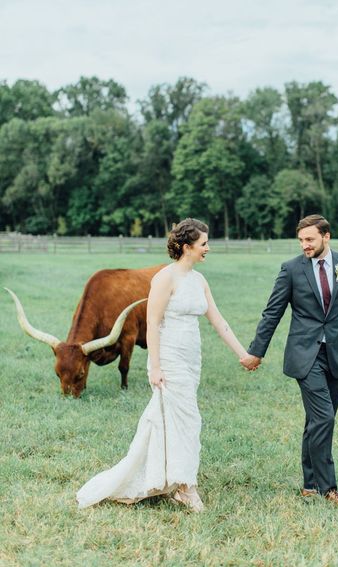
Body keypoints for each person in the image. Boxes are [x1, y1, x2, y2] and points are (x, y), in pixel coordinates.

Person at [77, 218, 254, 512]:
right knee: (187, 419)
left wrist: (242, 354)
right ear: (187, 247)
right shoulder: (164, 278)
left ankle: (166, 477)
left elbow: (219, 322)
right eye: (203, 244)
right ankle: (186, 487)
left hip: (192, 358)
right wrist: (155, 366)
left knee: (177, 420)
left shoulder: (199, 281)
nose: (208, 248)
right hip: (170, 358)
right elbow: (154, 324)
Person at [241, 214, 338, 509]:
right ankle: (329, 490)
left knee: (316, 421)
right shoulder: (291, 269)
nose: (304, 245)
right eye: (301, 240)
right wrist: (257, 351)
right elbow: (273, 312)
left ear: (326, 237)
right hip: (304, 356)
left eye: (310, 239)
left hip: (337, 356)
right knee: (324, 418)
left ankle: (309, 485)